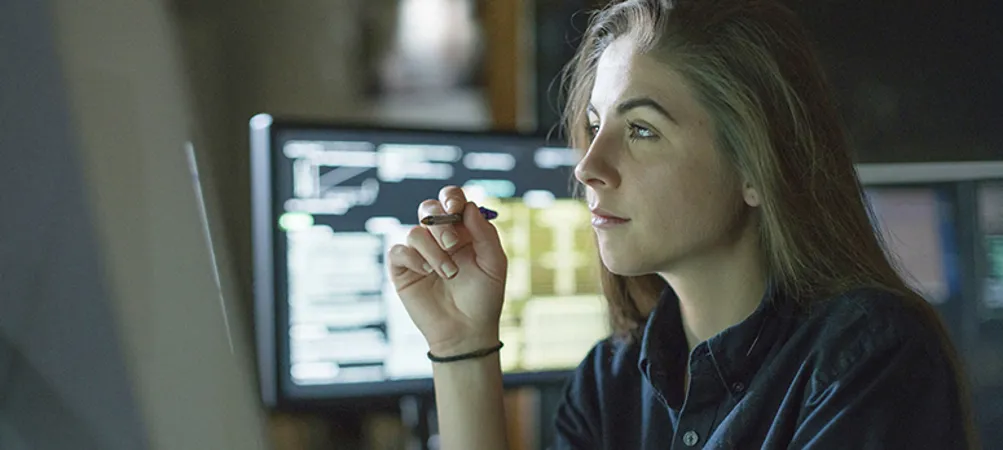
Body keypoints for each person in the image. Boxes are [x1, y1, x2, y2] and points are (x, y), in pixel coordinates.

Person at [386, 0, 978, 448]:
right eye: (594, 127)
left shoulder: (870, 360)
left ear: (755, 167)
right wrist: (462, 345)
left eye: (641, 130)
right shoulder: (608, 382)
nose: (589, 168)